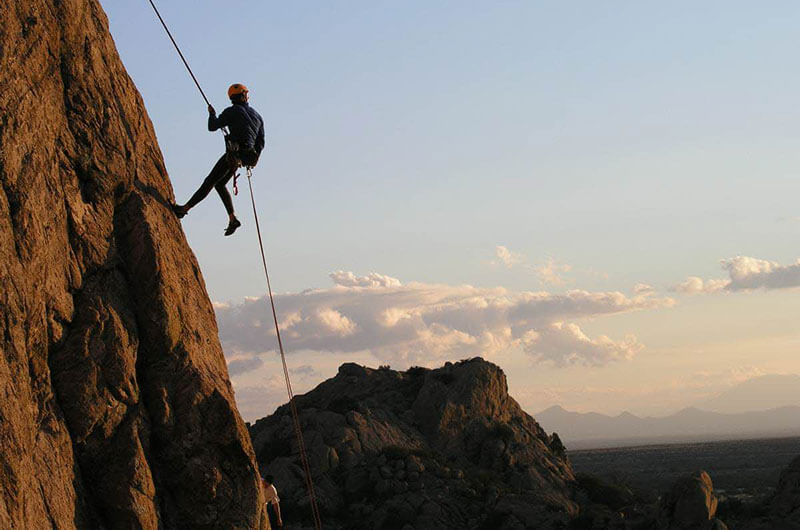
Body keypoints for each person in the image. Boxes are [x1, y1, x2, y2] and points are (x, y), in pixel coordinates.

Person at [172, 83, 265, 236]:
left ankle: (184, 209)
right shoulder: (257, 116)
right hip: (245, 156)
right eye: (246, 93)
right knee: (220, 184)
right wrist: (253, 159)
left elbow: (212, 126)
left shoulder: (232, 111)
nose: (247, 96)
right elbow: (261, 143)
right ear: (243, 95)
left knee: (210, 181)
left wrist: (211, 114)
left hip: (233, 155)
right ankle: (232, 218)